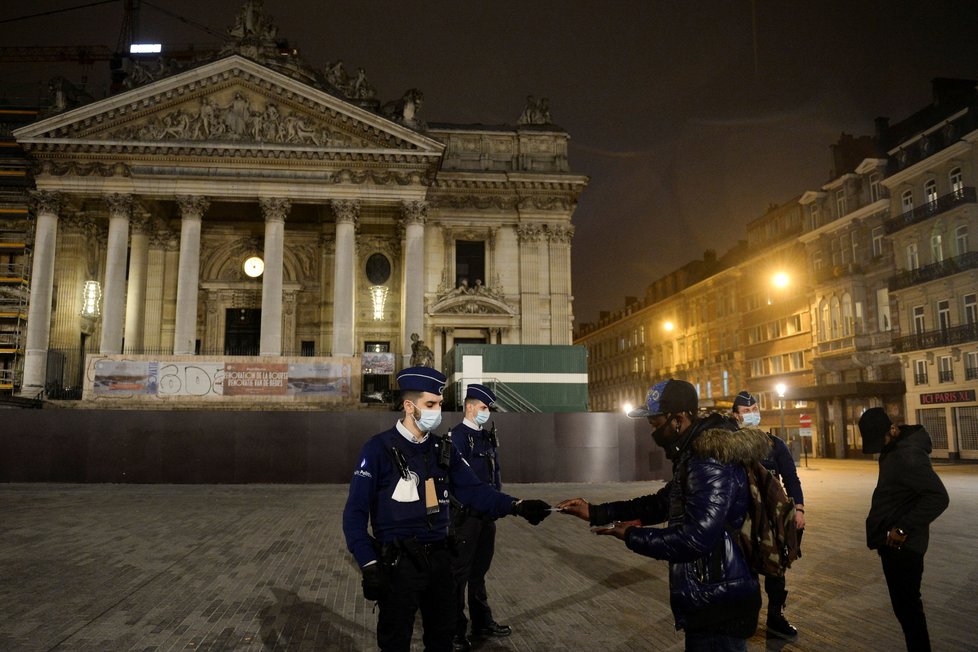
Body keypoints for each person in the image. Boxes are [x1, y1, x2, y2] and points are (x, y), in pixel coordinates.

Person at [342, 366, 551, 652]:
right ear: (409, 406)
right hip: (399, 566)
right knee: (395, 642)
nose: (437, 411)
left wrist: (517, 506)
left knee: (442, 640)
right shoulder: (377, 449)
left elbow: (476, 490)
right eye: (430, 404)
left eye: (439, 404)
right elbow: (354, 514)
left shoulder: (443, 449)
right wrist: (369, 564)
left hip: (441, 563)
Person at [557, 379, 765, 652]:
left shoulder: (709, 460)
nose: (653, 432)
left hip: (718, 602)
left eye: (656, 425)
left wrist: (630, 535)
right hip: (711, 594)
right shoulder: (694, 455)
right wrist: (597, 512)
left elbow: (696, 539)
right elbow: (661, 503)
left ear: (678, 419)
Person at [858, 407, 949, 652]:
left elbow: (938, 497)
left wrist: (902, 528)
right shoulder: (895, 449)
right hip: (895, 544)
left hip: (904, 547)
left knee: (909, 611)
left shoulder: (907, 456)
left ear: (893, 429)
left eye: (880, 440)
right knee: (906, 610)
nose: (878, 447)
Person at [730, 390, 805, 640]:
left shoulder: (774, 445)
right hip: (741, 518)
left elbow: (792, 480)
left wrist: (799, 510)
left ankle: (776, 616)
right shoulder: (729, 444)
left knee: (776, 569)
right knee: (743, 570)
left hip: (771, 519)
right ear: (735, 416)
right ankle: (745, 617)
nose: (751, 415)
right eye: (746, 412)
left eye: (754, 411)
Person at [449, 384, 508, 651]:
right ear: (470, 408)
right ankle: (454, 630)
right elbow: (463, 481)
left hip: (486, 517)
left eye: (488, 409)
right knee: (458, 575)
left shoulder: (486, 437)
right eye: (483, 408)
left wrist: (497, 501)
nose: (486, 413)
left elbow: (494, 474)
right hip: (466, 518)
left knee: (479, 573)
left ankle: (482, 622)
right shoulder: (456, 438)